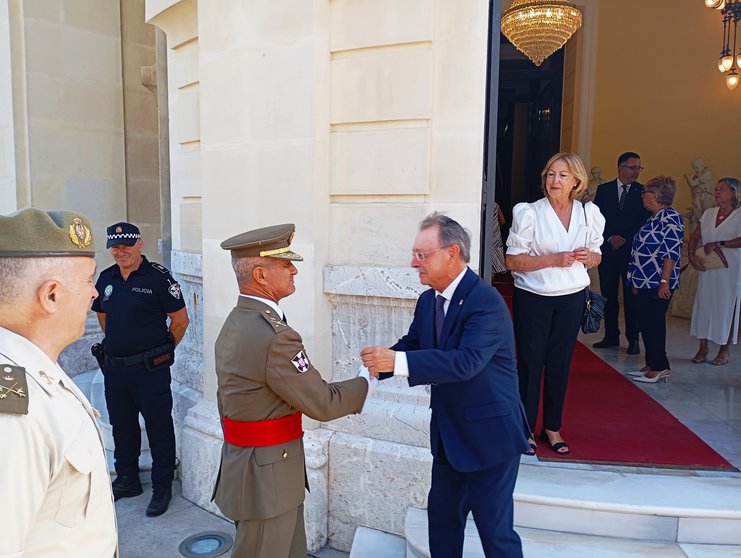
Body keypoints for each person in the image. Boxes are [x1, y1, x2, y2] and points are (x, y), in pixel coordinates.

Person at [361, 213, 529, 558]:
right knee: (441, 524)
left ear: (452, 253)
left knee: (496, 535)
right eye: (414, 254)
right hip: (449, 439)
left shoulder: (486, 301)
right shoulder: (428, 300)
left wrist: (397, 362)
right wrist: (374, 373)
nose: (413, 263)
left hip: (491, 441)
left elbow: (466, 362)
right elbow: (415, 344)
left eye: (422, 255)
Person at [213, 223, 371, 558]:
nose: (294, 269)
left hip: (254, 470)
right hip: (266, 480)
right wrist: (365, 379)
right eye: (285, 264)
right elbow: (323, 403)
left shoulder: (237, 321)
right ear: (261, 275)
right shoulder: (276, 336)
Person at [0, 208, 117, 557]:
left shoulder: (34, 367)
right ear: (51, 295)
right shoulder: (12, 415)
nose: (95, 293)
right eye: (87, 280)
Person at [506, 152, 605, 456]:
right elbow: (512, 261)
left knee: (560, 365)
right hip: (534, 299)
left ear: (576, 180)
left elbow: (597, 255)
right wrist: (553, 259)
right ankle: (524, 428)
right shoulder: (529, 213)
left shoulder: (589, 214)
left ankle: (552, 427)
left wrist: (591, 258)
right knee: (530, 364)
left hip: (572, 298)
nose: (555, 180)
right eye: (550, 174)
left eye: (562, 175)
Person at [92, 221, 190, 517]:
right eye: (115, 247)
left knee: (159, 428)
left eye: (126, 246)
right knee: (122, 426)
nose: (120, 252)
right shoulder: (106, 279)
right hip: (116, 370)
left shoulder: (158, 278)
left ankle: (161, 488)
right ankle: (127, 480)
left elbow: (181, 320)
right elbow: (104, 318)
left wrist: (162, 351)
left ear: (139, 245)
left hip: (150, 371)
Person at [626, 176, 684, 383]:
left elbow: (671, 252)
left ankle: (660, 366)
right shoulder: (654, 217)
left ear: (657, 196)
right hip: (644, 280)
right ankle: (651, 363)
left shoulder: (671, 218)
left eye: (646, 193)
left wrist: (664, 282)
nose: (643, 196)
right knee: (645, 322)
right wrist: (635, 280)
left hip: (656, 281)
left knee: (653, 324)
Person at [593, 152, 650, 355]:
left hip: (631, 252)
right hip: (608, 251)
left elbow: (644, 221)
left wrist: (624, 237)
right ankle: (611, 335)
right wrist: (610, 237)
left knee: (631, 298)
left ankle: (633, 338)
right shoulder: (604, 190)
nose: (636, 172)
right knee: (608, 295)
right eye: (632, 167)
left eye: (638, 168)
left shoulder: (642, 191)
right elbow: (596, 218)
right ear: (620, 168)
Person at [688, 177, 741, 366]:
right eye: (716, 189)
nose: (717, 192)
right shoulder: (709, 213)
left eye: (722, 189)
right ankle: (703, 347)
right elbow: (694, 237)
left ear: (734, 192)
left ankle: (724, 349)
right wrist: (692, 256)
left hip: (730, 269)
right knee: (704, 304)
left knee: (727, 306)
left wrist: (720, 243)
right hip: (707, 267)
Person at [684, 158, 715, 224]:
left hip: (705, 197)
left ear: (702, 166)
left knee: (706, 215)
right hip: (698, 197)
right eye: (694, 168)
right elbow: (692, 188)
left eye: (697, 168)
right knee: (698, 215)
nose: (695, 170)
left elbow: (692, 184)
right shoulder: (696, 176)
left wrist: (687, 176)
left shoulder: (707, 173)